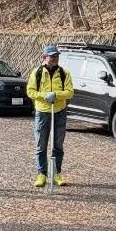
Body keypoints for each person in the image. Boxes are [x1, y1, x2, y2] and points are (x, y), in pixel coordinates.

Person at [27, 44, 74, 187]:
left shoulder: (64, 72)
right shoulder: (37, 72)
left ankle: (56, 173)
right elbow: (30, 91)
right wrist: (44, 96)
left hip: (59, 112)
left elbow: (70, 92)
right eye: (52, 56)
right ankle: (42, 174)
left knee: (58, 145)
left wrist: (57, 95)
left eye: (56, 56)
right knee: (41, 145)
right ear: (44, 57)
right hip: (42, 112)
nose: (54, 58)